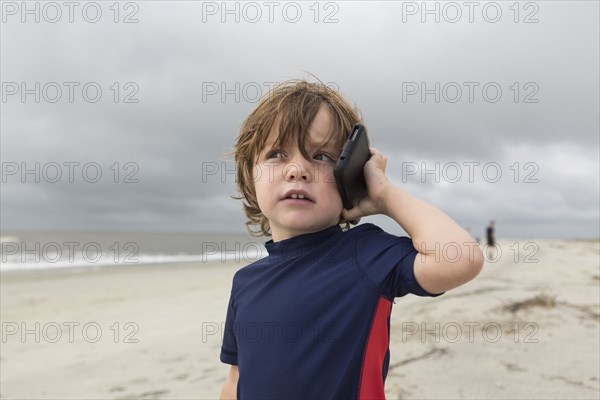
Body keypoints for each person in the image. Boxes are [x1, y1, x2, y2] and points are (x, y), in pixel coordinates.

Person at [219, 78, 484, 399]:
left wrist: (384, 196)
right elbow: (236, 380)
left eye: (322, 157)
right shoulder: (246, 282)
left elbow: (460, 258)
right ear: (250, 173)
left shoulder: (365, 255)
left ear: (351, 174)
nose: (297, 170)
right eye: (276, 153)